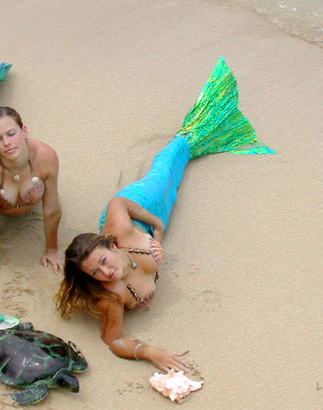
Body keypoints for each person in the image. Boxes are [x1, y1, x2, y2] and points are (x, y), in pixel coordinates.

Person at [55, 58, 275, 372]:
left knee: (164, 172)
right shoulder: (110, 297)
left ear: (112, 247)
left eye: (103, 262)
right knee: (178, 181)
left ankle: (193, 130)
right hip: (145, 234)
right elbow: (114, 340)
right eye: (95, 274)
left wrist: (158, 231)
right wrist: (149, 352)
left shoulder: (120, 232)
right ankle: (206, 136)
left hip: (140, 207)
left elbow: (118, 203)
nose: (104, 274)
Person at [0, 106, 64, 282]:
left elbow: (52, 209)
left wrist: (52, 250)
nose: (7, 142)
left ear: (24, 130)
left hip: (11, 159)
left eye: (11, 134)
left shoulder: (46, 157)